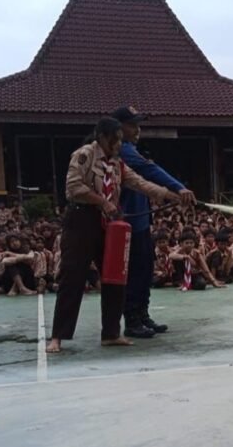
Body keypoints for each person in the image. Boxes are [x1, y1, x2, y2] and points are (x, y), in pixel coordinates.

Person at [46, 117, 183, 354]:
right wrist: (101, 202)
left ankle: (110, 333)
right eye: (116, 139)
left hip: (109, 224)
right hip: (81, 221)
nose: (120, 144)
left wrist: (172, 194)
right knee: (73, 277)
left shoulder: (117, 164)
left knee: (114, 277)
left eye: (121, 139)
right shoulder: (85, 155)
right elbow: (73, 187)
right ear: (102, 137)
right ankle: (58, 336)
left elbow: (140, 183)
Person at [111, 106, 197, 338]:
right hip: (128, 223)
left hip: (141, 223)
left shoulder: (131, 150)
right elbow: (151, 170)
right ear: (119, 129)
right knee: (136, 272)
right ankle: (132, 320)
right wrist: (178, 188)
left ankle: (142, 315)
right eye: (133, 125)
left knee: (145, 269)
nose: (138, 129)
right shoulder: (123, 151)